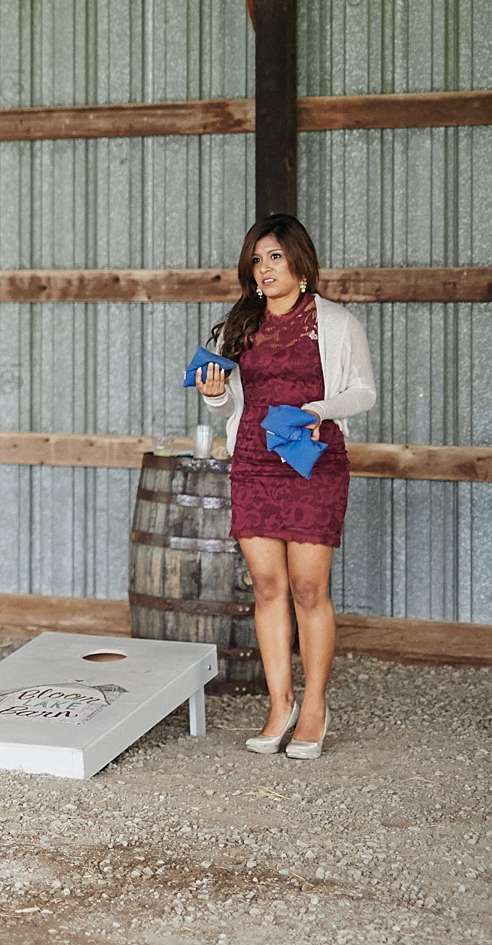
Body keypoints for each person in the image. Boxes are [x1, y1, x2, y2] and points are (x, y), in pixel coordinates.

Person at [194, 214, 375, 760]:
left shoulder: (335, 323)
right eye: (256, 259)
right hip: (253, 459)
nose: (265, 268)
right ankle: (281, 705)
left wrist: (318, 409)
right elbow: (229, 404)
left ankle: (315, 707)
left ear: (298, 261)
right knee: (267, 587)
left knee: (306, 588)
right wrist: (213, 395)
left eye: (274, 256)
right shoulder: (239, 324)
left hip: (313, 462)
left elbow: (363, 391)